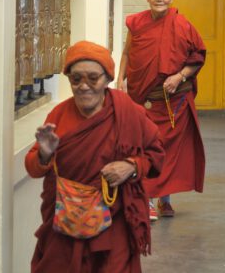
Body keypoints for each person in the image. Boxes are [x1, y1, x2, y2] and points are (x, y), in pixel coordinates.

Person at [25, 40, 165, 273]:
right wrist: (44, 154)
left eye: (93, 78)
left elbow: (156, 154)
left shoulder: (127, 112)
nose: (83, 86)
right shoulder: (59, 115)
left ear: (107, 79)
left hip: (113, 224)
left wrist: (131, 166)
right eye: (76, 79)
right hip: (65, 222)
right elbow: (32, 168)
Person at [117, 0, 206, 220]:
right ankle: (149, 199)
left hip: (174, 101)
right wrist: (120, 79)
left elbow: (197, 56)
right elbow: (127, 53)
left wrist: (179, 76)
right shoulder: (136, 23)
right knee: (146, 148)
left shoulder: (181, 24)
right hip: (143, 98)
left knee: (171, 151)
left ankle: (162, 199)